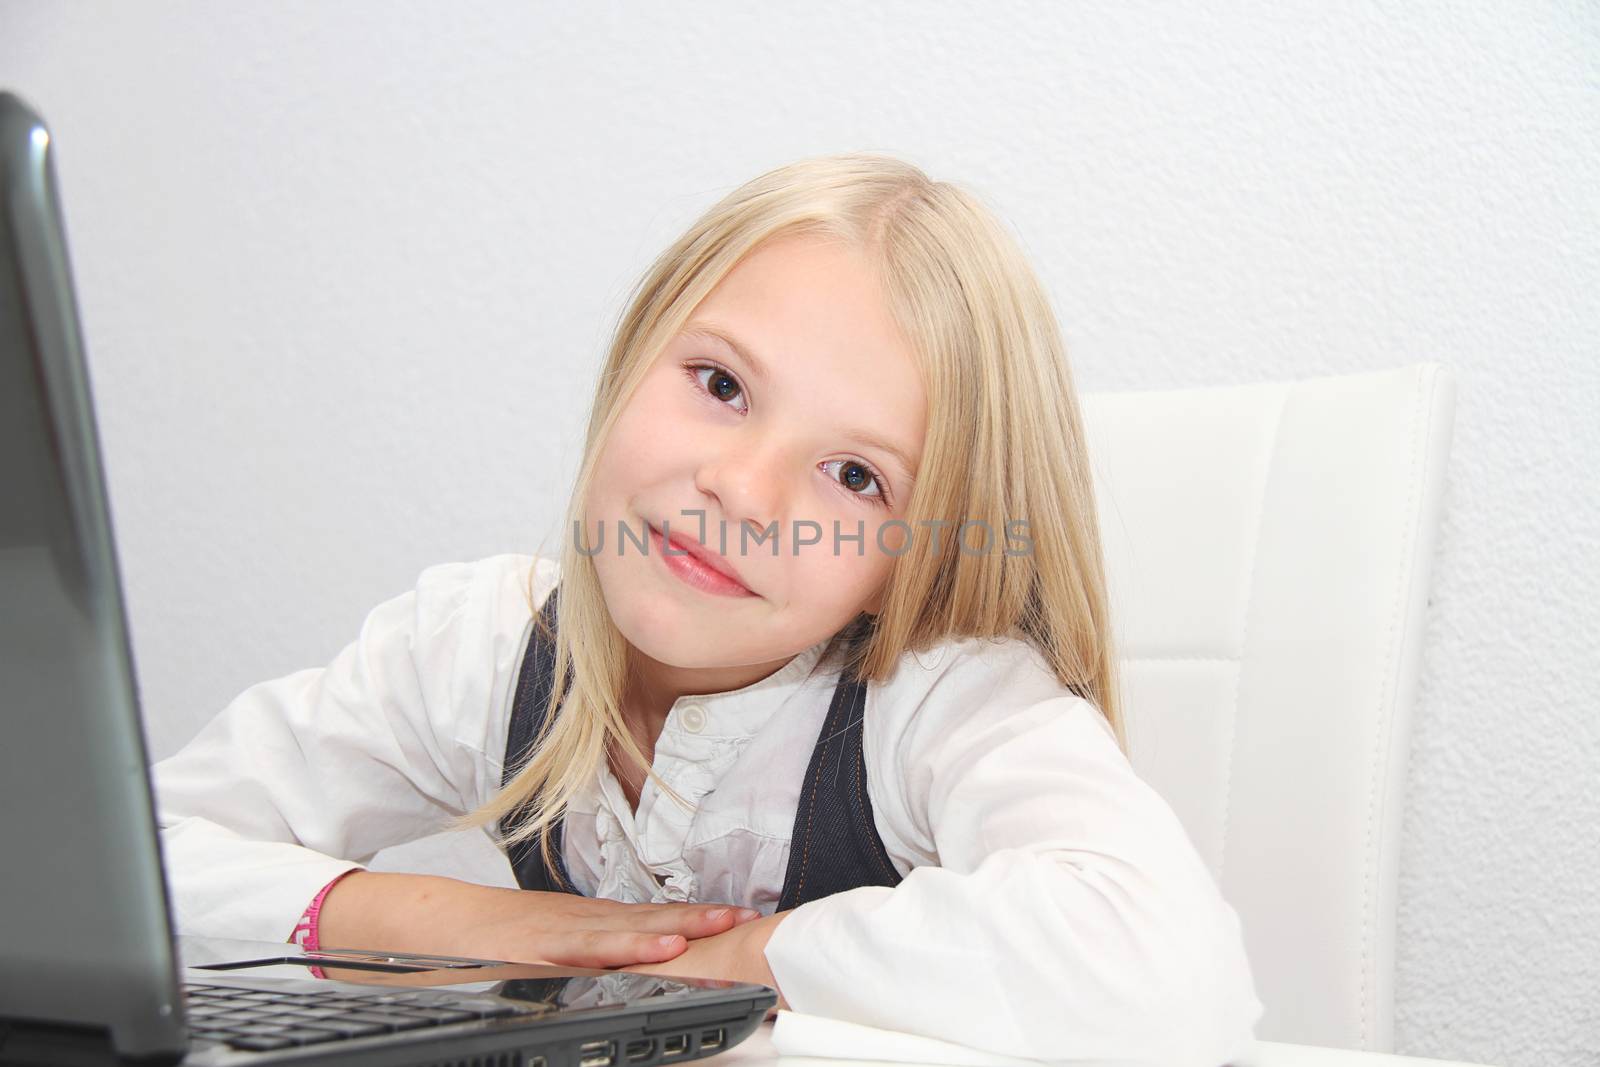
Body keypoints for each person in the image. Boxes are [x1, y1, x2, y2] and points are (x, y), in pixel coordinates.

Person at [153, 153, 1264, 1065]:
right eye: (722, 385)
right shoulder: (486, 641)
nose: (743, 489)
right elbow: (121, 857)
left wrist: (718, 961)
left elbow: (1164, 969)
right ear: (636, 350)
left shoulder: (939, 694)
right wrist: (442, 918)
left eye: (856, 474)